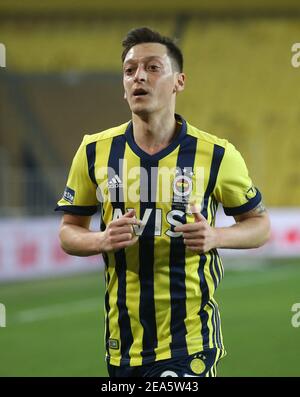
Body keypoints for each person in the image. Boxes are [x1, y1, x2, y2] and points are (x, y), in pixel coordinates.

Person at [55, 27, 270, 377]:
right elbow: (68, 232)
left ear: (178, 82)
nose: (139, 76)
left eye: (153, 67)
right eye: (130, 70)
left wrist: (216, 237)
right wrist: (101, 240)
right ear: (124, 87)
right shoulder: (93, 151)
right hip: (121, 345)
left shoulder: (217, 154)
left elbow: (260, 226)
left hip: (191, 340)